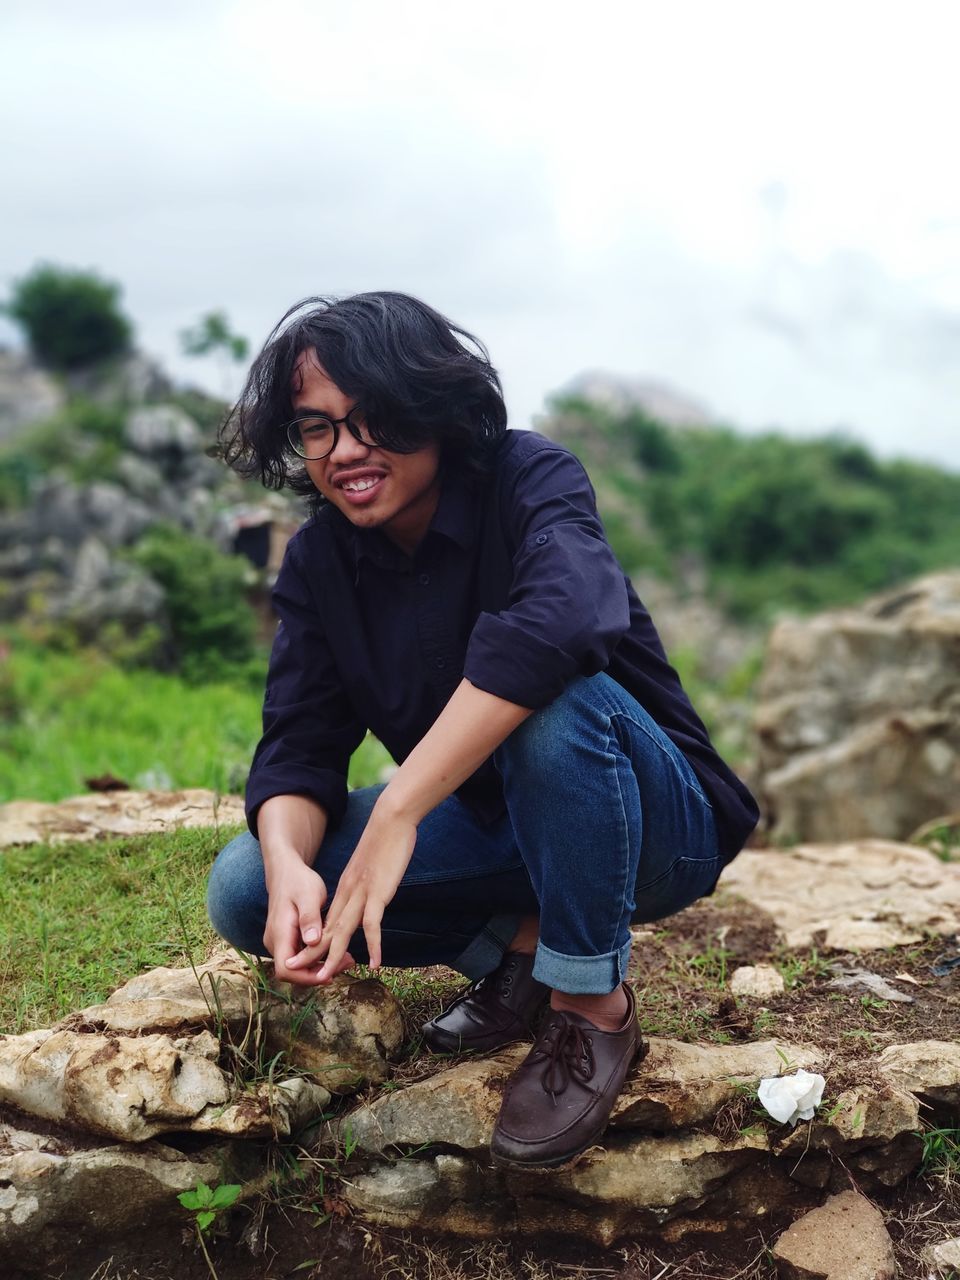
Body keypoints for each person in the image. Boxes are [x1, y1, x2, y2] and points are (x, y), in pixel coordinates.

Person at [206, 291, 759, 1169]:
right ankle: (523, 954)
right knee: (243, 886)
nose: (346, 452)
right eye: (317, 428)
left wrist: (397, 814)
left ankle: (589, 1008)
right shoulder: (320, 560)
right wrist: (286, 868)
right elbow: (299, 744)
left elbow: (565, 621)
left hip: (649, 824)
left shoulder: (529, 477)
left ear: (436, 410)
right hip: (501, 827)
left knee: (553, 700)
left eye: (373, 420)